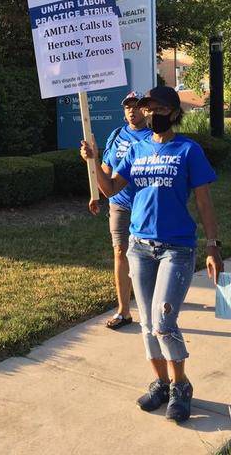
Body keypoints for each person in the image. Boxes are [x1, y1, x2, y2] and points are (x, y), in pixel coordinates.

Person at [80, 86, 223, 423]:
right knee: (146, 323)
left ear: (173, 113)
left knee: (163, 321)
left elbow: (203, 201)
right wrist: (93, 160)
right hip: (140, 245)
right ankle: (160, 382)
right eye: (148, 108)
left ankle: (181, 385)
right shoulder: (138, 147)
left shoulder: (189, 150)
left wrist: (213, 245)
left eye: (157, 108)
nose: (150, 113)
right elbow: (112, 187)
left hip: (177, 247)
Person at [88, 91, 152, 329]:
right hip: (119, 203)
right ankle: (124, 310)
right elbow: (105, 169)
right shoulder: (116, 135)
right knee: (120, 251)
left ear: (145, 110)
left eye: (136, 107)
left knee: (146, 256)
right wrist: (96, 194)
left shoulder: (152, 137)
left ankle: (152, 302)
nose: (132, 111)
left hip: (145, 205)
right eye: (127, 107)